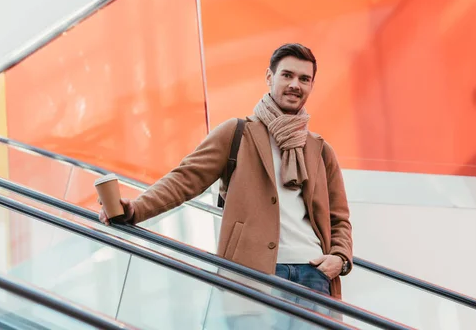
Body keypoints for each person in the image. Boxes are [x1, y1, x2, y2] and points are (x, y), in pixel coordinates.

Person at [99, 43, 353, 300]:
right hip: (252, 272)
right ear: (269, 77)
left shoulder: (320, 150)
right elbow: (185, 179)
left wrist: (339, 259)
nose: (295, 85)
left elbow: (339, 217)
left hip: (313, 275)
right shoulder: (237, 133)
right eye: (287, 75)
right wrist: (136, 208)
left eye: (304, 79)